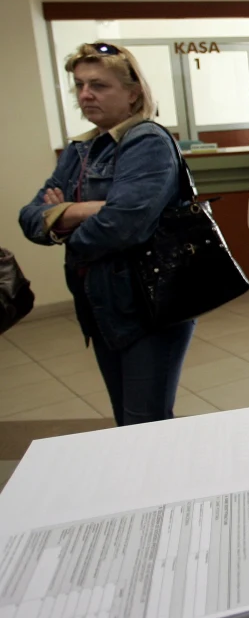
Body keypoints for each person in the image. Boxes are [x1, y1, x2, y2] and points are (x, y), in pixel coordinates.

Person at [19, 42, 194, 425]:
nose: (85, 94)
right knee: (125, 422)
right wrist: (85, 210)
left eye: (98, 85)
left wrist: (62, 222)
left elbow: (122, 226)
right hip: (101, 306)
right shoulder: (82, 149)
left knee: (144, 422)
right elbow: (30, 217)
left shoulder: (146, 141)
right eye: (79, 85)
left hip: (147, 306)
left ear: (133, 93)